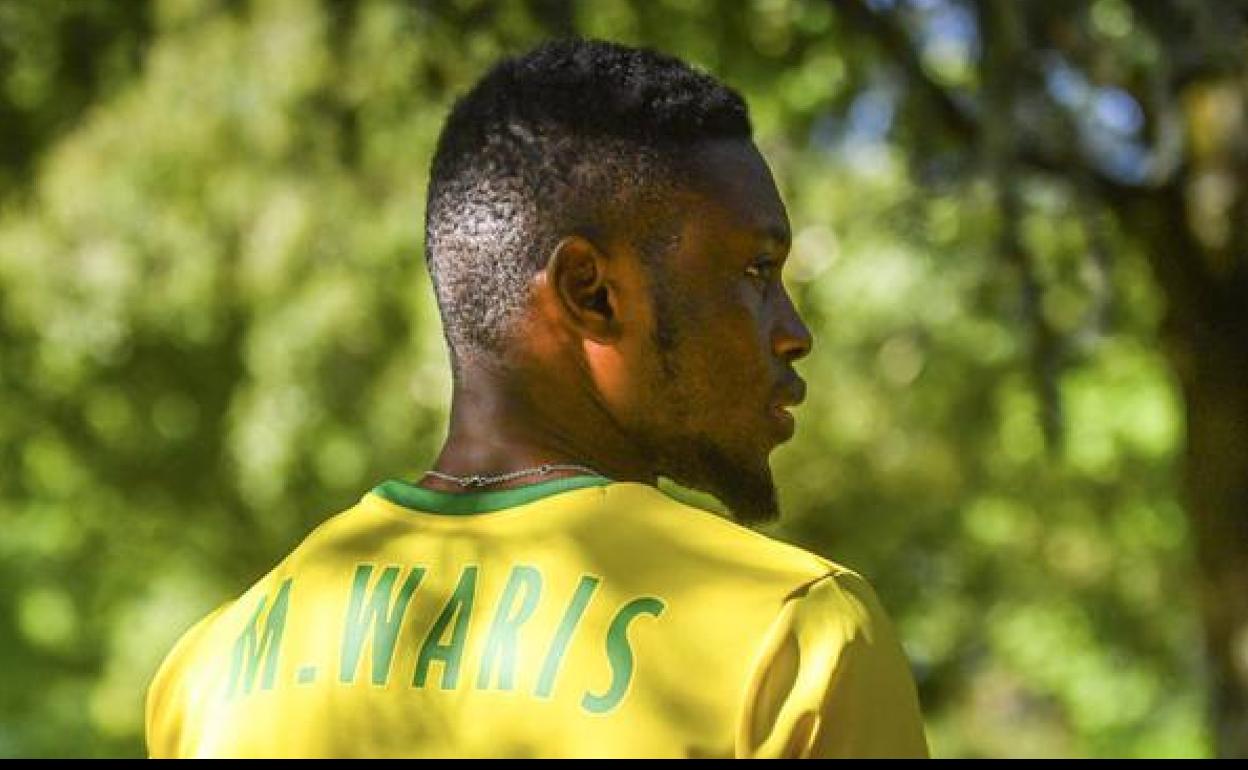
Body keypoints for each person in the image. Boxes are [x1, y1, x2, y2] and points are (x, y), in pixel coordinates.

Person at [145, 38, 929, 759]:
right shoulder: (794, 638)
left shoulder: (207, 673)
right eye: (756, 271)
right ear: (592, 293)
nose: (793, 331)